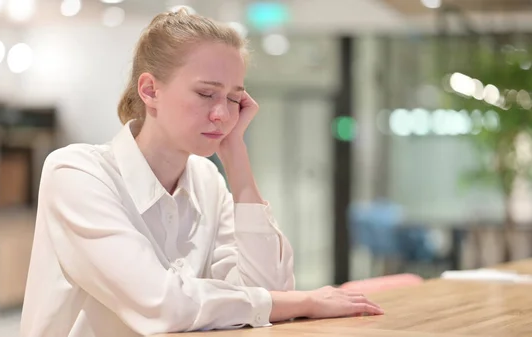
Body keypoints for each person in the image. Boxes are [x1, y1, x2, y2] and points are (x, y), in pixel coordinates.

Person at [20, 9, 383, 337]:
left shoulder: (207, 181)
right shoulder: (76, 173)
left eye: (233, 98)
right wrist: (304, 302)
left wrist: (236, 157)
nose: (223, 115)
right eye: (206, 94)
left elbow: (269, 288)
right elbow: (162, 305)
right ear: (150, 90)